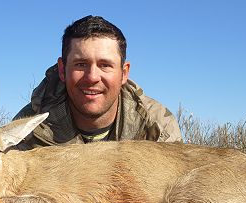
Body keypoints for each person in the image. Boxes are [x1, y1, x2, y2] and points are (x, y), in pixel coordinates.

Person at [14, 15, 182, 149]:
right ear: (62, 70)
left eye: (105, 65)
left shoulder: (158, 128)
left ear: (124, 73)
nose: (92, 77)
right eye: (81, 64)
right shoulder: (25, 129)